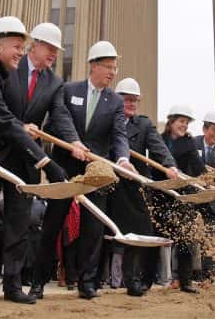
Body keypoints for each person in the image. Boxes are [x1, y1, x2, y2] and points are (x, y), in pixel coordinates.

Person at [0, 22, 85, 304]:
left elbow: (61, 116)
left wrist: (74, 140)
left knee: (20, 223)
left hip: (25, 160)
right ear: (34, 45)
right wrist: (19, 126)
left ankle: (13, 286)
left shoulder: (54, 83)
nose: (53, 53)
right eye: (50, 47)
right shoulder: (6, 67)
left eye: (57, 50)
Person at [29, 41, 135, 300]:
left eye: (114, 68)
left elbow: (119, 135)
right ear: (94, 66)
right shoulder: (67, 90)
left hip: (97, 172)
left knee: (93, 228)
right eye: (108, 67)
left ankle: (87, 283)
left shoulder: (115, 102)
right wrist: (74, 142)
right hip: (65, 167)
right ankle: (38, 282)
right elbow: (56, 122)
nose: (112, 72)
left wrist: (121, 160)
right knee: (52, 224)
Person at [108, 78, 178, 296]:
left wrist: (169, 165)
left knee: (144, 234)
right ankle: (91, 280)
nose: (131, 104)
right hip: (113, 186)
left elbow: (158, 148)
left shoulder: (144, 124)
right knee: (111, 236)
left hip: (137, 189)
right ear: (118, 100)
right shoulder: (108, 121)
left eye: (135, 101)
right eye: (127, 100)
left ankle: (141, 280)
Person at [157, 104, 206, 293]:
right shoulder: (160, 140)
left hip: (183, 195)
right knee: (160, 236)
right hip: (161, 193)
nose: (184, 125)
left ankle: (185, 281)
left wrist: (207, 180)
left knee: (185, 239)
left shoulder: (189, 143)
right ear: (171, 122)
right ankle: (153, 277)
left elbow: (197, 163)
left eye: (186, 122)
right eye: (181, 121)